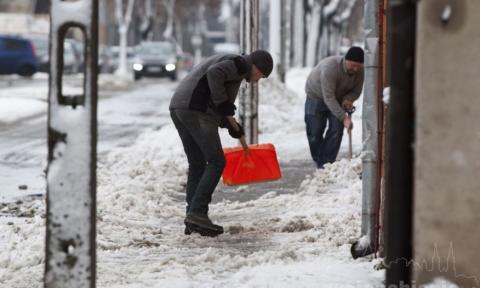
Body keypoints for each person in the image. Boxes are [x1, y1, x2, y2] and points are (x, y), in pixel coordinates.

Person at [169, 50, 273, 236]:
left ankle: (192, 218)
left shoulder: (234, 64)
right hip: (195, 109)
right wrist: (223, 104)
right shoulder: (240, 64)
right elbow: (214, 75)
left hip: (179, 107)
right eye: (261, 75)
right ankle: (198, 212)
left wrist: (229, 124)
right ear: (256, 66)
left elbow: (215, 97)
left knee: (197, 163)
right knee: (217, 161)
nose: (257, 80)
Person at [304, 46, 364, 169]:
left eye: (358, 66)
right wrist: (344, 118)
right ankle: (319, 160)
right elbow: (329, 97)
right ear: (345, 60)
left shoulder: (360, 71)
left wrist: (348, 99)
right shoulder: (330, 68)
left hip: (339, 98)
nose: (355, 68)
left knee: (337, 131)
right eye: (353, 65)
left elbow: (356, 91)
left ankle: (327, 164)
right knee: (315, 132)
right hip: (316, 96)